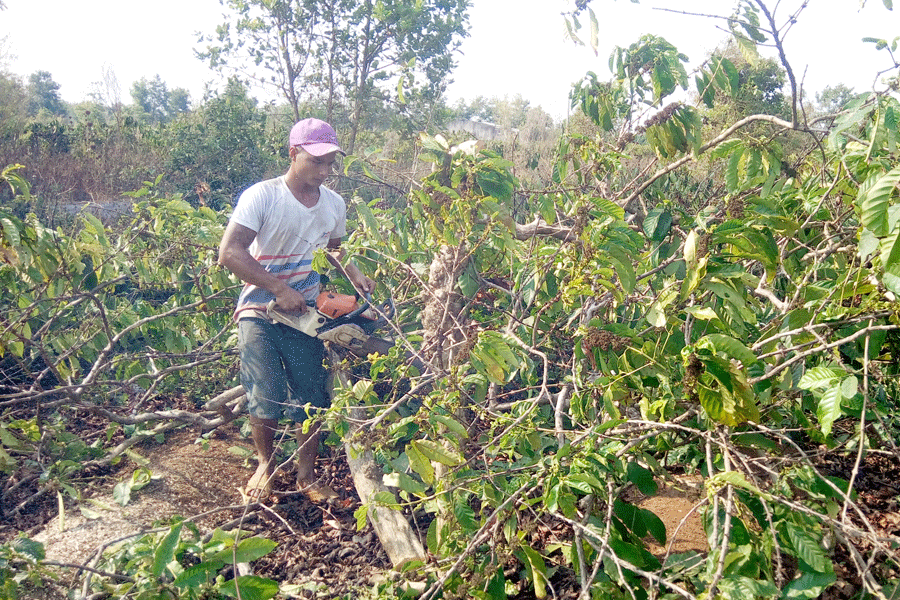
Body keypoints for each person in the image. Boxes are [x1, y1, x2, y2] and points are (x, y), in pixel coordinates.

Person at [218, 118, 375, 501]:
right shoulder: (263, 196)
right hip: (260, 304)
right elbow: (230, 253)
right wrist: (276, 286)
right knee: (265, 391)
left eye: (330, 163)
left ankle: (306, 474)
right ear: (293, 154)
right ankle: (265, 465)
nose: (324, 171)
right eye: (316, 161)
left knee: (312, 392)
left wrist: (352, 272)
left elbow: (334, 248)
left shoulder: (333, 204)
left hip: (306, 309)